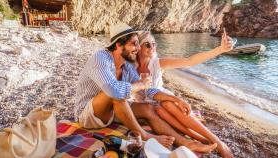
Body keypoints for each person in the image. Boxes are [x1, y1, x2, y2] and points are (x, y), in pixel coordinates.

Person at [74, 22, 217, 152]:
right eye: (134, 44)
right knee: (117, 94)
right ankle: (145, 136)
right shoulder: (101, 58)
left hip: (112, 113)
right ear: (118, 45)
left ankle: (186, 143)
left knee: (149, 108)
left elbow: (147, 90)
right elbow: (114, 91)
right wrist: (139, 84)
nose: (138, 48)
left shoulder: (127, 66)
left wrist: (174, 98)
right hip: (87, 115)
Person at [135, 31, 234, 158]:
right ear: (138, 47)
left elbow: (189, 61)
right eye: (147, 44)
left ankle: (216, 141)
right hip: (148, 105)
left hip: (163, 99)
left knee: (165, 106)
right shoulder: (132, 66)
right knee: (160, 109)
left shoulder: (157, 63)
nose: (152, 47)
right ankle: (200, 138)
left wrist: (219, 49)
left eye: (154, 44)